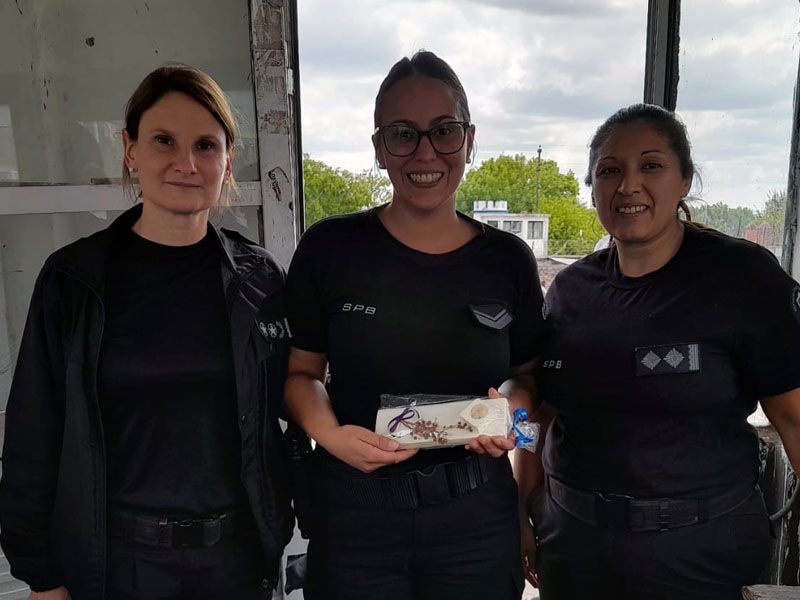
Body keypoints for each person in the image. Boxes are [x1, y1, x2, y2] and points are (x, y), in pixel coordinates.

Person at [0, 65, 293, 600]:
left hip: (234, 563)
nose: (187, 163)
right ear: (130, 149)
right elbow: (33, 431)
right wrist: (40, 573)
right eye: (164, 141)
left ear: (228, 161)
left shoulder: (258, 279)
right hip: (120, 567)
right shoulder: (74, 281)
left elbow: (288, 402)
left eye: (206, 145)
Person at [284, 50, 545, 600]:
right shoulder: (330, 248)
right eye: (402, 134)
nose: (426, 153)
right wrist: (330, 436)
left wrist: (510, 425)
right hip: (356, 518)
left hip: (477, 521)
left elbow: (528, 382)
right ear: (379, 148)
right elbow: (301, 374)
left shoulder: (509, 260)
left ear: (470, 140)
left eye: (444, 131)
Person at [521, 103, 800, 599]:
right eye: (610, 171)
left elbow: (794, 418)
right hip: (572, 543)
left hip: (700, 552)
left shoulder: (742, 277)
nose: (628, 185)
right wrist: (520, 509)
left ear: (685, 180)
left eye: (651, 165)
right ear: (592, 187)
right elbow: (539, 417)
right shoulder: (570, 290)